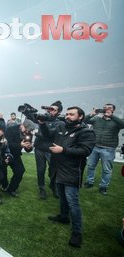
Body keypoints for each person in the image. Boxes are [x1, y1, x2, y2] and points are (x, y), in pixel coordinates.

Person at [41, 106, 95, 248]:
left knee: (73, 201)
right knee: (62, 196)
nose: (68, 116)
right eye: (67, 114)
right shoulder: (62, 127)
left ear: (81, 116)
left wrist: (63, 150)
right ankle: (64, 217)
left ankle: (77, 232)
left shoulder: (86, 131)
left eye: (72, 114)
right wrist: (42, 124)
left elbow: (85, 150)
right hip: (58, 169)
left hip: (72, 172)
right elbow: (47, 136)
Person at [25, 100, 65, 199]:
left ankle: (53, 186)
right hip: (39, 148)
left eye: (53, 110)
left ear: (58, 112)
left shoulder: (60, 123)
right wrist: (27, 111)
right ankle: (41, 188)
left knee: (53, 171)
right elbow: (31, 117)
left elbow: (49, 136)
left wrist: (36, 133)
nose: (50, 111)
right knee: (40, 170)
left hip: (51, 149)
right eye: (49, 108)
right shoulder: (42, 118)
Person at [83, 104, 124, 195]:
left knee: (106, 169)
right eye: (105, 107)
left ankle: (103, 186)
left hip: (108, 148)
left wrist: (111, 116)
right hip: (94, 146)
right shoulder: (97, 119)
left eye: (109, 108)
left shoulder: (116, 121)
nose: (106, 109)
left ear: (113, 110)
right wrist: (91, 114)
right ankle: (89, 182)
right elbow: (83, 121)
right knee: (90, 166)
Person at [3, 119, 36, 197]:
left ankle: (12, 189)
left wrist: (29, 147)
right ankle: (4, 185)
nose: (28, 132)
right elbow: (7, 144)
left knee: (20, 170)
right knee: (2, 171)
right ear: (22, 125)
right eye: (27, 129)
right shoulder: (10, 129)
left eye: (30, 130)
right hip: (5, 153)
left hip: (16, 154)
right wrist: (20, 145)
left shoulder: (29, 134)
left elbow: (28, 150)